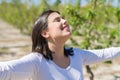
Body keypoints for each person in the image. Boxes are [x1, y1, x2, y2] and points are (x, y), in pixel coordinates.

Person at [0, 9, 120, 80]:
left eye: (62, 18)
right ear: (45, 33)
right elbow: (6, 70)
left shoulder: (76, 55)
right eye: (57, 20)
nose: (64, 21)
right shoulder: (37, 61)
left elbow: (105, 54)